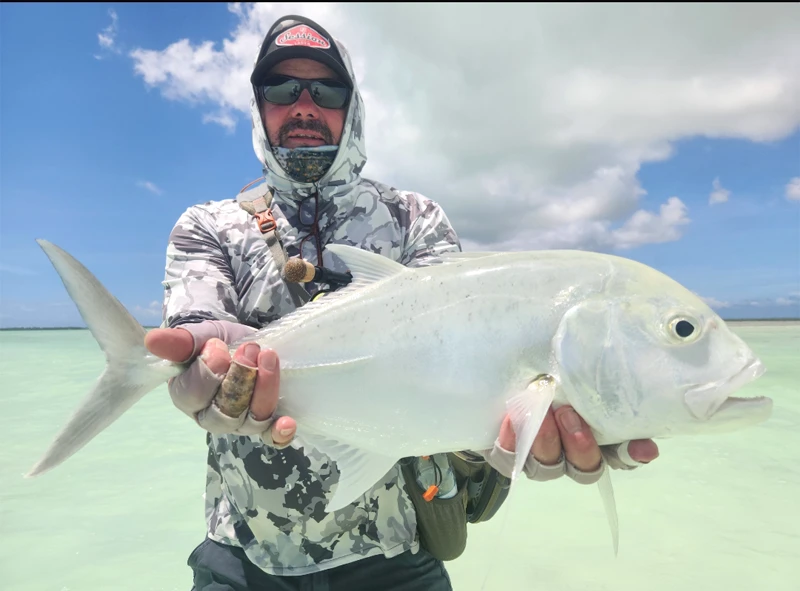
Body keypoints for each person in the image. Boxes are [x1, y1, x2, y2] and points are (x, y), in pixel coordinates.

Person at [144, 14, 659, 591]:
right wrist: (199, 373)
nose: (305, 106)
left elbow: (465, 365)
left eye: (327, 90)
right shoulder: (205, 227)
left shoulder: (415, 220)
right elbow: (196, 339)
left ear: (352, 105)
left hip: (395, 547)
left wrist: (547, 415)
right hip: (243, 551)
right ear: (259, 108)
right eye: (283, 91)